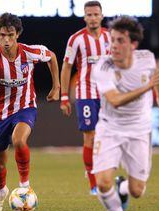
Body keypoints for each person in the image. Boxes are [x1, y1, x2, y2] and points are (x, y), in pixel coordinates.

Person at [0, 13, 60, 211]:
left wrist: (56, 86)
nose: (6, 40)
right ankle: (2, 191)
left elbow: (52, 56)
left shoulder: (29, 52)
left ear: (17, 34)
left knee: (19, 140)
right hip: (0, 113)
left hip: (25, 107)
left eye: (10, 35)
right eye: (2, 35)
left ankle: (24, 185)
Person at [91, 16, 159, 211]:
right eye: (112, 40)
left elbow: (154, 76)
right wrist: (148, 89)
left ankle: (123, 187)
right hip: (109, 128)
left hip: (139, 130)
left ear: (133, 45)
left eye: (120, 41)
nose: (114, 46)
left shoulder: (147, 58)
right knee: (103, 182)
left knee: (137, 191)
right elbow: (115, 100)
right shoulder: (102, 67)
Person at [60, 1, 110, 195]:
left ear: (101, 16)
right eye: (89, 15)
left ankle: (101, 172)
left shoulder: (110, 37)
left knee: (105, 138)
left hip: (107, 94)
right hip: (85, 94)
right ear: (84, 17)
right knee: (89, 136)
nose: (92, 18)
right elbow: (66, 67)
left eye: (95, 14)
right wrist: (64, 96)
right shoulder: (76, 39)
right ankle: (93, 183)